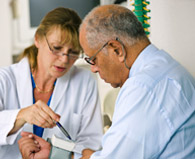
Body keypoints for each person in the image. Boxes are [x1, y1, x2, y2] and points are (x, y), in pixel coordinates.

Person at [18, 4, 195, 159]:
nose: (93, 68)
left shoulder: (142, 87)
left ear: (117, 50)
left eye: (92, 59)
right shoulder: (165, 66)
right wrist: (63, 155)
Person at [0, 7, 103, 159]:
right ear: (38, 39)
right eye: (56, 48)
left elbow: (91, 145)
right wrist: (21, 116)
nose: (64, 59)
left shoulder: (84, 81)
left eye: (73, 52)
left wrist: (54, 154)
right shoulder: (3, 78)